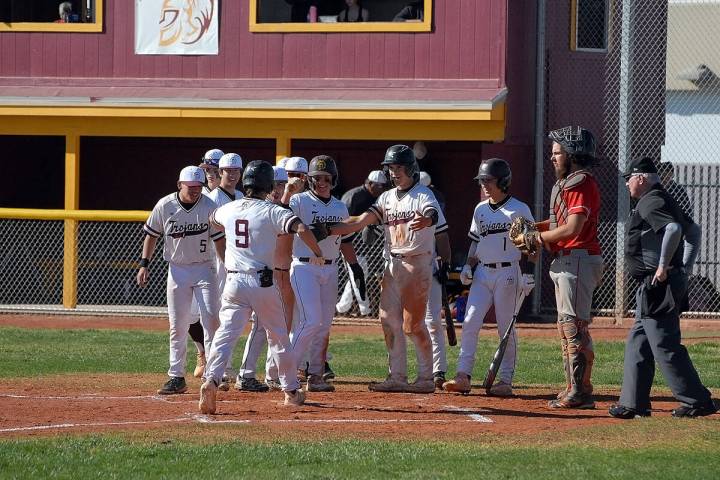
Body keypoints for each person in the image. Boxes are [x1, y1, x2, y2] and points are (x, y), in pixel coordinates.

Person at [199, 161, 328, 413]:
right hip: (262, 281)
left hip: (234, 281)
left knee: (226, 335)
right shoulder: (272, 210)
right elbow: (300, 227)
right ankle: (291, 390)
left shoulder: (230, 208)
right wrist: (318, 252)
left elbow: (213, 219)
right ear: (268, 185)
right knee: (279, 336)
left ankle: (211, 380)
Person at [330, 145, 450, 393]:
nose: (394, 173)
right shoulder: (386, 197)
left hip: (416, 262)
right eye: (391, 168)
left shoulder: (423, 194)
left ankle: (427, 377)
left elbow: (432, 216)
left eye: (399, 168)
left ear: (411, 168)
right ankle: (397, 376)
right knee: (387, 320)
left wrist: (427, 221)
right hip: (392, 263)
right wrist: (332, 229)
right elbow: (363, 220)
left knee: (412, 325)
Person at [608, 157, 718, 419]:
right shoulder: (665, 198)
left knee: (664, 344)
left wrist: (663, 265)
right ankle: (634, 403)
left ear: (641, 178)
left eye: (629, 179)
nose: (627, 184)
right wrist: (684, 267)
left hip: (657, 285)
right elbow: (694, 232)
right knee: (639, 340)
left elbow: (673, 229)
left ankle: (697, 400)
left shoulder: (651, 200)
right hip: (658, 284)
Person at [443, 158, 536, 397]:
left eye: (488, 180)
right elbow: (476, 241)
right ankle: (463, 375)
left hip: (508, 271)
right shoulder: (480, 209)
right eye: (482, 180)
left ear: (503, 181)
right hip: (483, 272)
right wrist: (468, 266)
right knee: (471, 320)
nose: (484, 185)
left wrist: (529, 273)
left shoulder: (519, 208)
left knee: (505, 327)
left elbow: (532, 245)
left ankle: (505, 379)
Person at [529, 126, 605, 409]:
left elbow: (573, 228)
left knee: (575, 328)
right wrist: (533, 229)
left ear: (573, 154)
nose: (553, 158)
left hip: (579, 259)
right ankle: (573, 387)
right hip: (568, 259)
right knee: (565, 328)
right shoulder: (567, 183)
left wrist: (536, 238)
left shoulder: (581, 182)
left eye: (558, 152)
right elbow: (558, 225)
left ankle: (582, 392)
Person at [137, 166, 223, 395]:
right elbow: (151, 235)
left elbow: (219, 239)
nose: (195, 191)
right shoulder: (165, 205)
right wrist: (144, 264)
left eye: (199, 187)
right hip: (177, 269)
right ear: (179, 185)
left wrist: (227, 265)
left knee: (212, 320)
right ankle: (176, 376)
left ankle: (213, 374)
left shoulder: (208, 206)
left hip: (205, 268)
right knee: (178, 325)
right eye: (191, 187)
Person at [288, 155, 361, 392]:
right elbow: (279, 215)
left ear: (334, 180)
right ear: (309, 180)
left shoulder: (340, 206)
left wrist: (354, 265)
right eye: (317, 178)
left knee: (323, 325)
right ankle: (289, 369)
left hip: (330, 267)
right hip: (304, 265)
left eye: (326, 178)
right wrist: (288, 192)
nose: (322, 182)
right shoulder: (299, 200)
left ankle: (316, 374)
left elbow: (346, 241)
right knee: (308, 321)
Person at [236, 165, 295, 393]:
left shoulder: (271, 208)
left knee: (273, 327)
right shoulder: (264, 209)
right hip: (258, 275)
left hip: (273, 273)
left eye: (283, 185)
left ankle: (266, 373)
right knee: (261, 327)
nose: (279, 189)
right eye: (277, 185)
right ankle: (246, 374)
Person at [206, 153, 244, 391]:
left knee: (230, 316)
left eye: (235, 170)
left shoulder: (241, 196)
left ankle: (224, 368)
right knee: (215, 316)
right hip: (216, 261)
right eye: (227, 170)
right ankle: (215, 369)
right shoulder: (211, 198)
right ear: (219, 172)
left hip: (237, 260)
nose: (231, 174)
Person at [189, 148, 225, 378]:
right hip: (199, 259)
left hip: (223, 259)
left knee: (217, 313)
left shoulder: (232, 194)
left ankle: (219, 364)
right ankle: (202, 352)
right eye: (207, 169)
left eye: (213, 169)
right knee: (190, 315)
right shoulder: (197, 195)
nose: (209, 173)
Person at [335, 169, 388, 316]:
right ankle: (365, 309)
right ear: (370, 184)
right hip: (350, 243)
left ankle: (341, 307)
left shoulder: (377, 197)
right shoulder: (354, 196)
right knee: (358, 274)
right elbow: (342, 221)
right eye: (379, 186)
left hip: (366, 245)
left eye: (383, 186)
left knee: (357, 275)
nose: (382, 189)